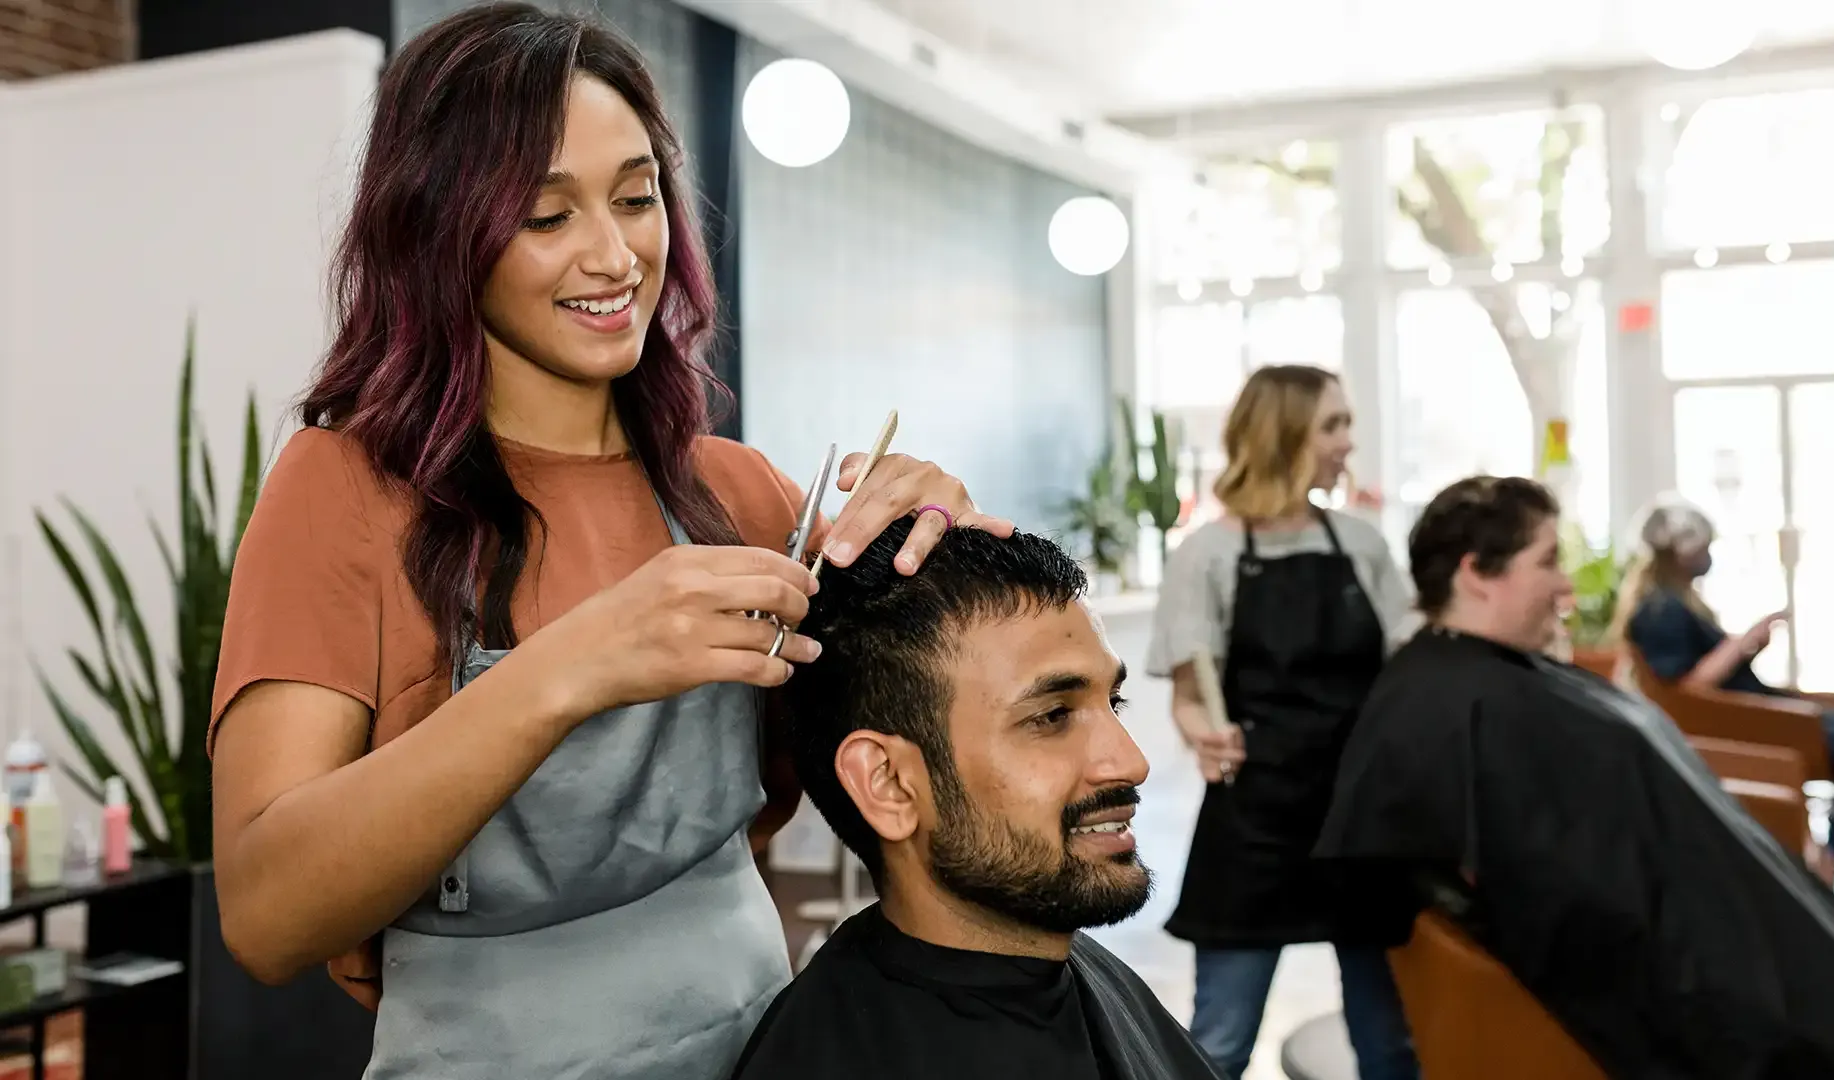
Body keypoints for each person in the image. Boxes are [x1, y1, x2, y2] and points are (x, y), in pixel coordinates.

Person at [207, 7, 1011, 1078]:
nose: (615, 252)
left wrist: (926, 547)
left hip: (754, 1044)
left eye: (637, 199)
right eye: (546, 216)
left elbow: (908, 772)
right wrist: (574, 666)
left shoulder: (738, 492)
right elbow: (265, 917)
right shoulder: (344, 490)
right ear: (440, 232)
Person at [1318, 476, 1834, 1078]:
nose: (1564, 584)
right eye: (1548, 561)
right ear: (1477, 572)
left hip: (1715, 922)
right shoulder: (1471, 704)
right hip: (1682, 964)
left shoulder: (1471, 682)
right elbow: (1574, 899)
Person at [730, 517, 1224, 1080]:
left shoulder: (1070, 967)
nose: (1131, 762)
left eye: (1116, 701)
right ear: (888, 782)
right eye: (1052, 716)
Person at [1145, 365, 1420, 1080]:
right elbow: (1189, 691)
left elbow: (1409, 669)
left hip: (1361, 821)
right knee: (1219, 1046)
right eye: (1334, 425)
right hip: (1255, 822)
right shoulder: (1207, 554)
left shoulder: (1361, 545)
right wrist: (1201, 730)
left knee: (1390, 1047)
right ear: (1286, 434)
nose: (1346, 443)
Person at [1612, 496, 1834, 896]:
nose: (1708, 556)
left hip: (1758, 708)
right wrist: (1741, 644)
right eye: (1703, 548)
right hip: (1750, 722)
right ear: (1682, 550)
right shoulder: (1661, 610)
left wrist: (1749, 646)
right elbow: (1688, 688)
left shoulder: (1676, 602)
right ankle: (1833, 866)